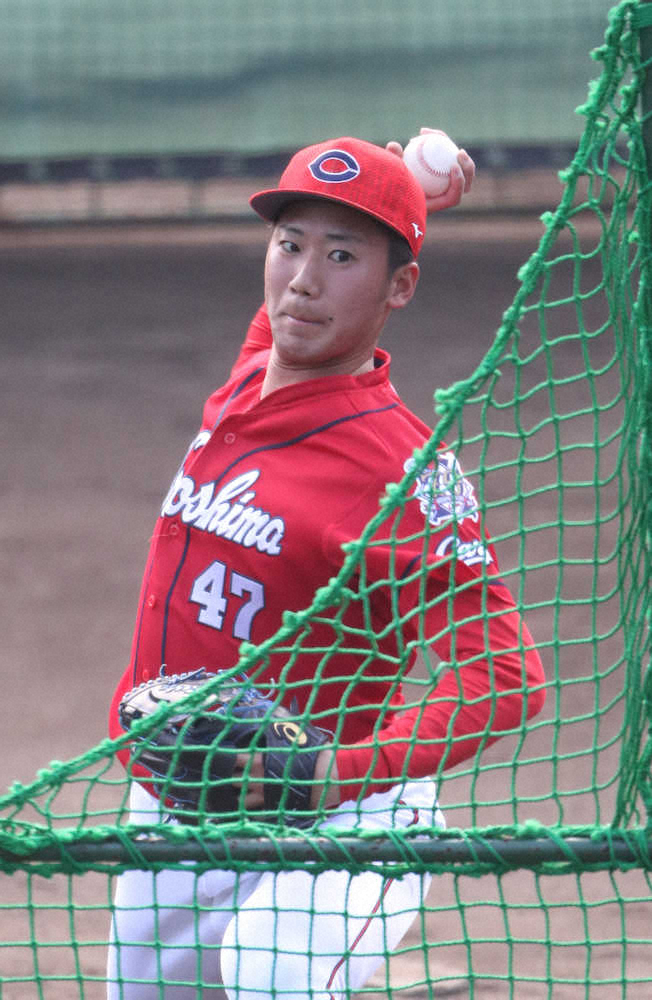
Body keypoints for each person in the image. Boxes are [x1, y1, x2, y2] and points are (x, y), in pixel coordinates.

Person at [106, 130, 546, 999]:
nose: (304, 280)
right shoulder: (253, 376)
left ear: (400, 288)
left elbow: (506, 676)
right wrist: (405, 193)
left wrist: (332, 775)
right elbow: (296, 311)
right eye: (289, 245)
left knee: (268, 974)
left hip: (345, 819)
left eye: (342, 257)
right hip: (181, 793)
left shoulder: (401, 474)